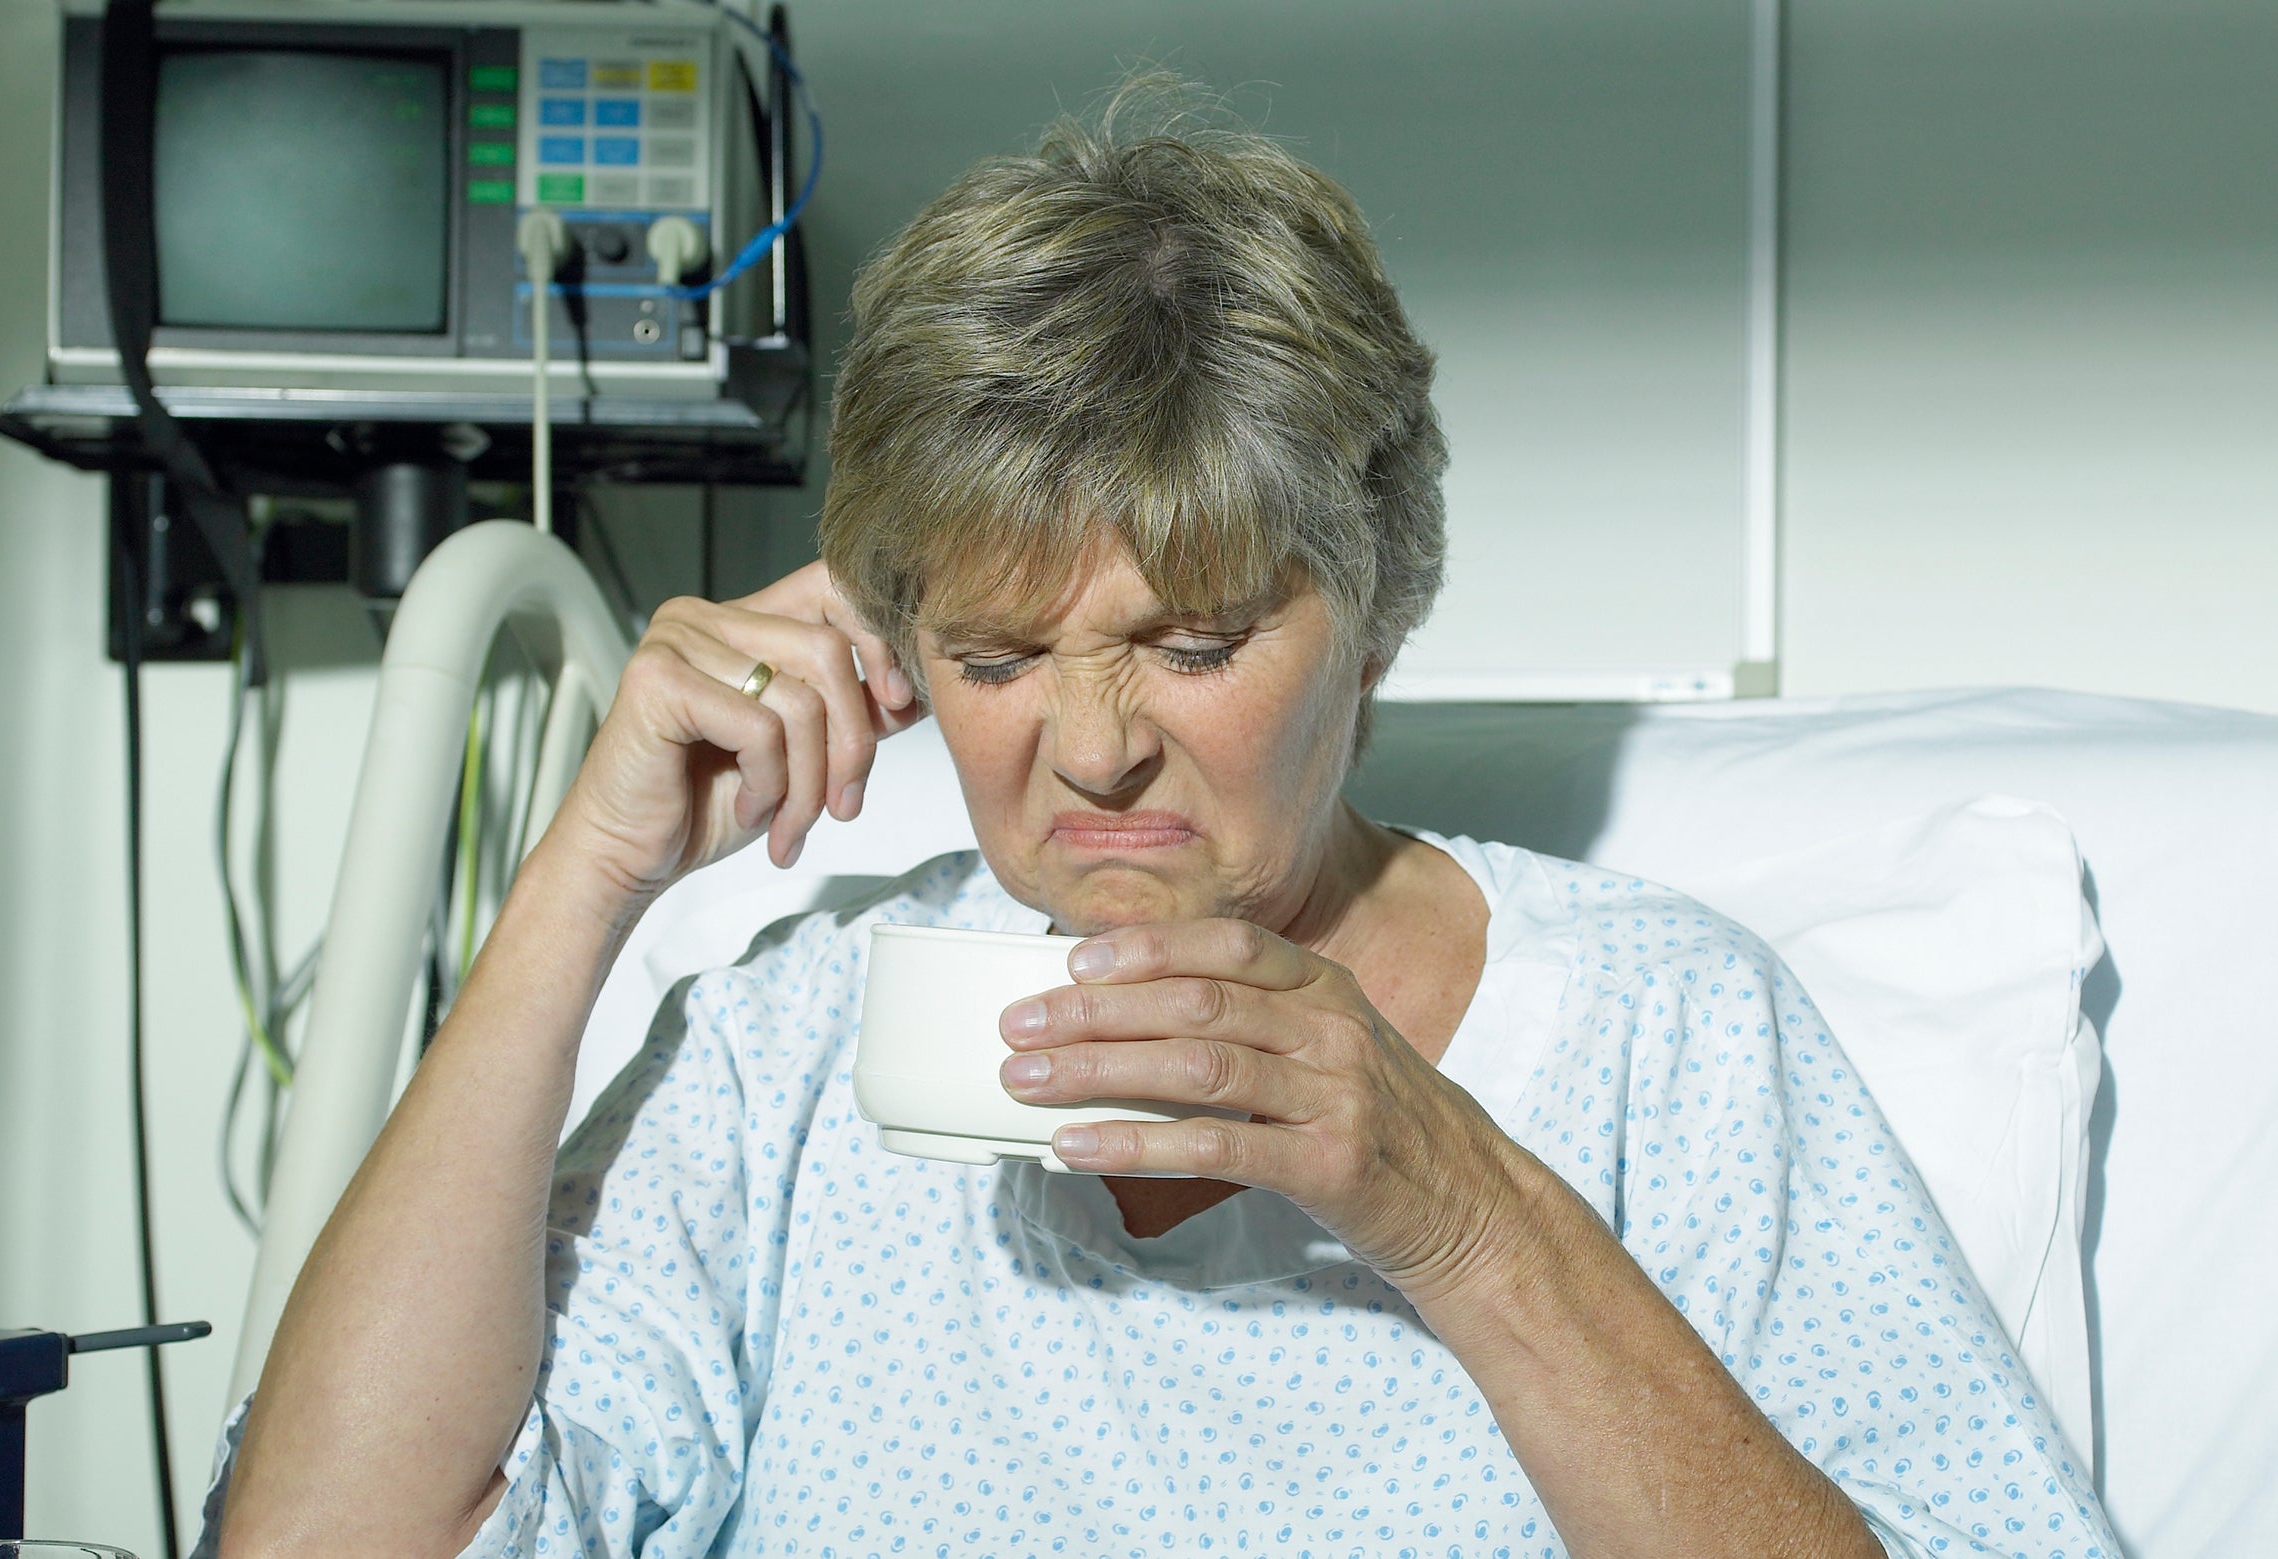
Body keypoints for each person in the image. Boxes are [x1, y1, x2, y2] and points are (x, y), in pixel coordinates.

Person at [209, 89, 2116, 1559]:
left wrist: (1458, 1216)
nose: (1094, 750)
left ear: (1371, 619)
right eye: (999, 652)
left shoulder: (1664, 1038)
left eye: (1191, 643)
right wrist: (587, 883)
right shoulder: (797, 1049)